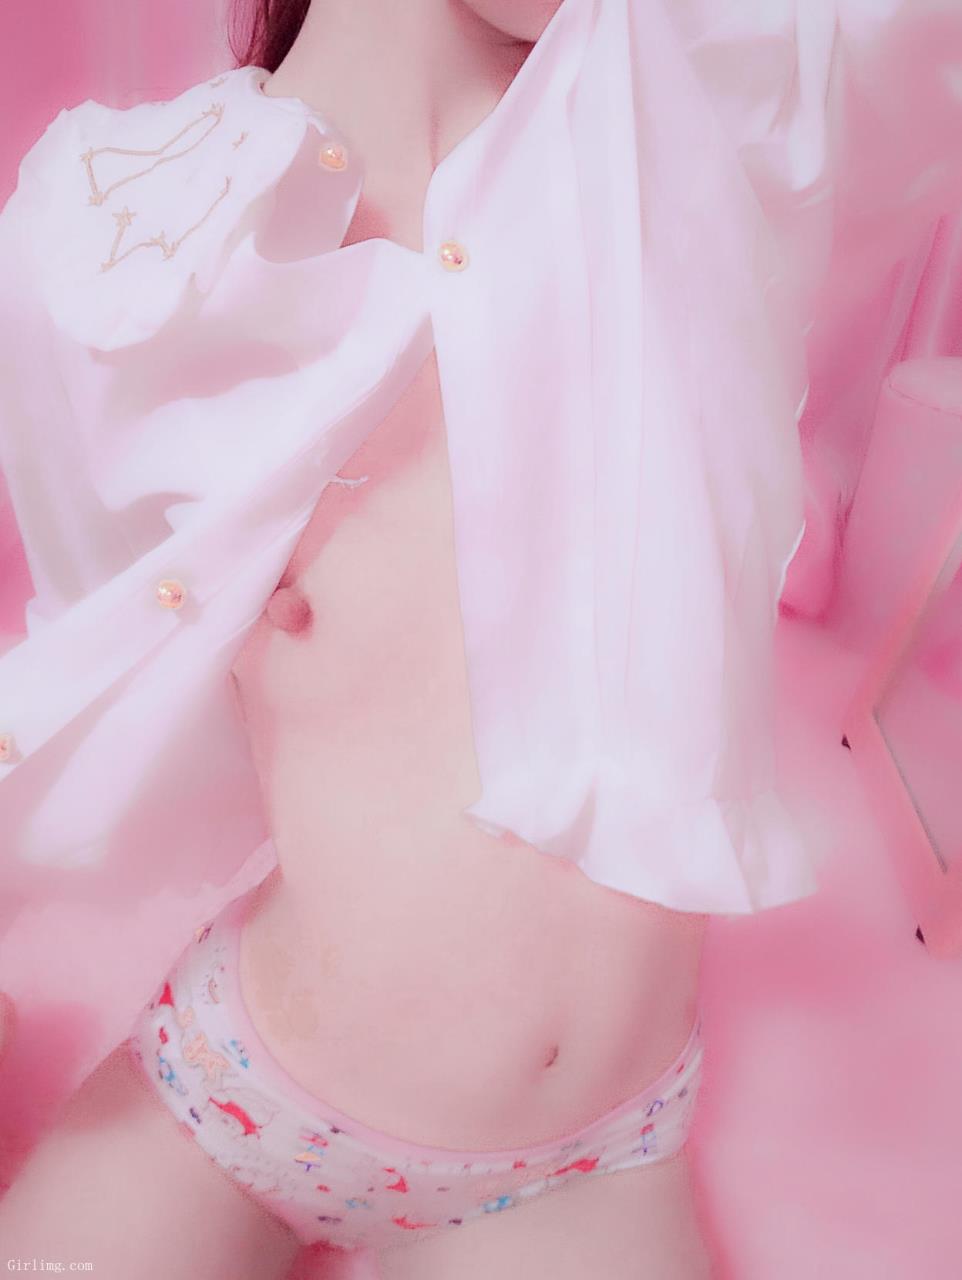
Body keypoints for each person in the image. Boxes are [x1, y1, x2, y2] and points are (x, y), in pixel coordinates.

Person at [1, 1, 961, 1277]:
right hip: (243, 1083)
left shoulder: (707, 120)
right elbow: (94, 634)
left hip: (584, 1159)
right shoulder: (125, 219)